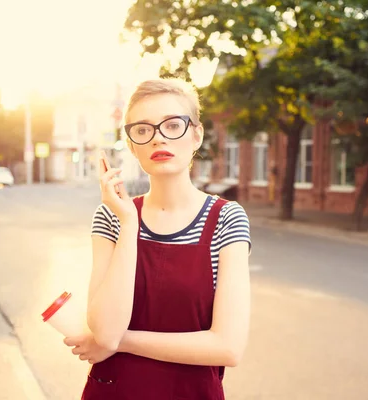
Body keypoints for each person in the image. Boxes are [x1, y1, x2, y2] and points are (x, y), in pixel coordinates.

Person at [64, 78, 252, 399]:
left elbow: (227, 347)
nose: (158, 138)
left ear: (197, 135)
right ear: (132, 144)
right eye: (143, 130)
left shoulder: (226, 219)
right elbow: (106, 331)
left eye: (172, 125)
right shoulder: (112, 216)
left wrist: (123, 342)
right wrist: (128, 223)